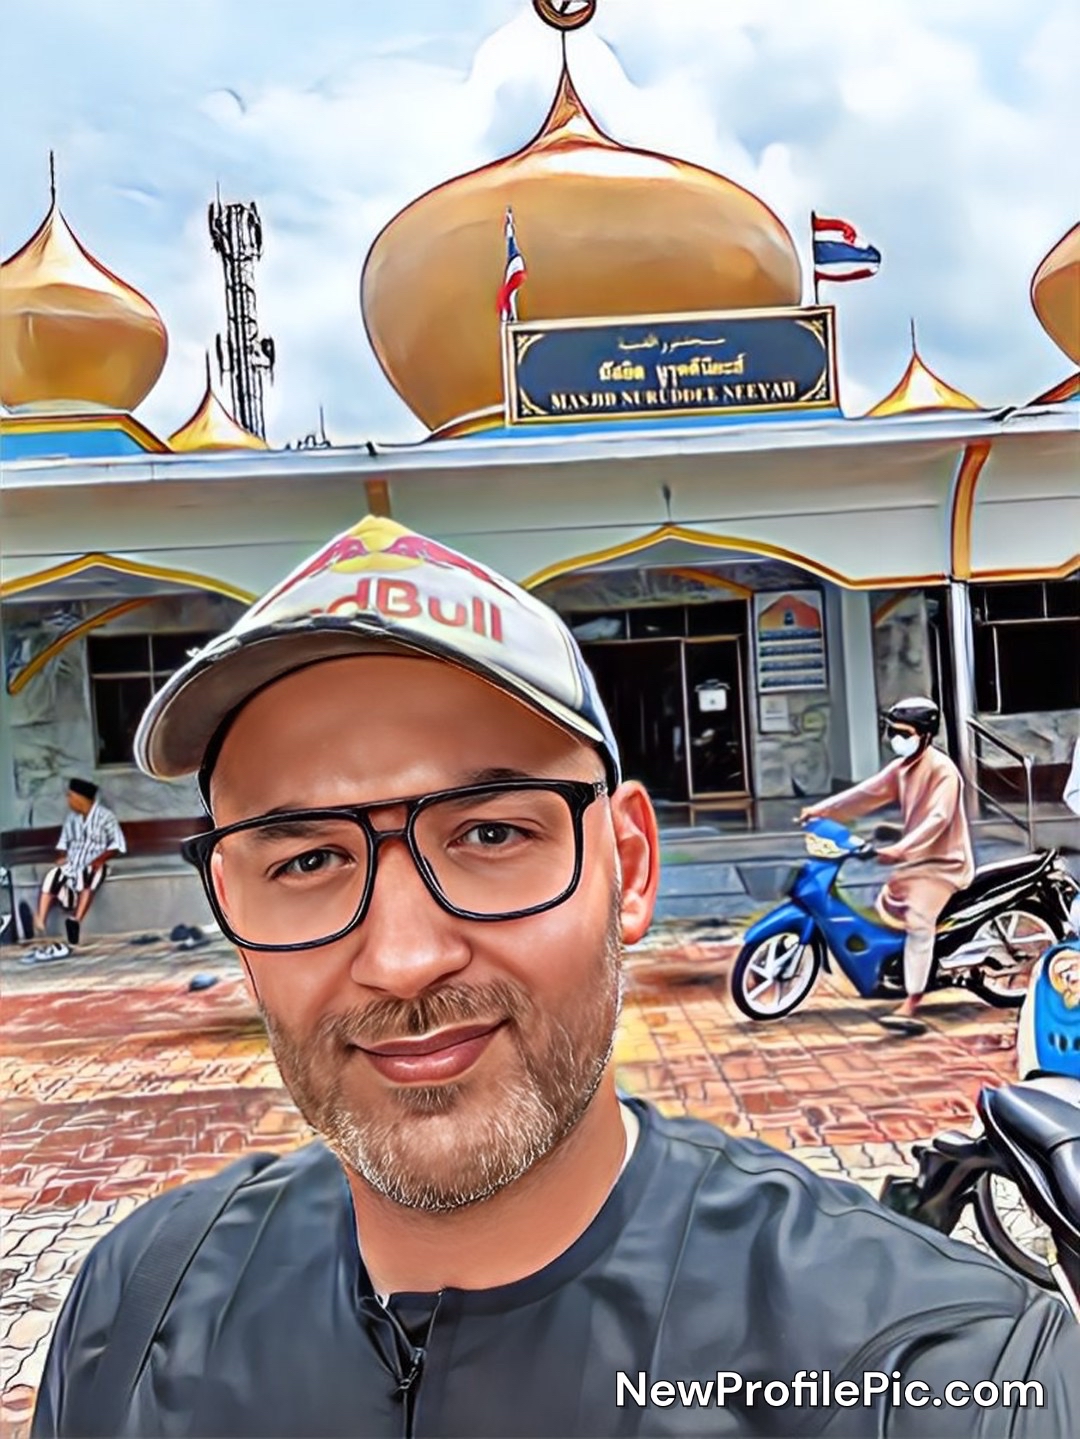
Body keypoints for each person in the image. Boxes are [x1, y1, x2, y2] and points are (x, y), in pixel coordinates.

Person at [33, 518, 1078, 1438]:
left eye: (491, 832)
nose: (402, 958)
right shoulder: (135, 1313)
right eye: (306, 860)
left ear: (628, 866)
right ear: (231, 907)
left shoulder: (935, 1370)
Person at [799, 697, 974, 1036]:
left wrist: (901, 848)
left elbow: (938, 819)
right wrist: (821, 810)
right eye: (892, 732)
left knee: (919, 924)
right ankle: (895, 969)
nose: (896, 739)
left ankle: (912, 1002)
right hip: (913, 861)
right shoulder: (903, 768)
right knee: (885, 910)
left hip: (942, 864)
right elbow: (866, 793)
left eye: (904, 733)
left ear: (925, 735)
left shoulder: (943, 771)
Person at [34, 778, 126, 949]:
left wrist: (99, 860)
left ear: (80, 798)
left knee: (87, 875)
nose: (68, 800)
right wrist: (62, 856)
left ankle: (75, 921)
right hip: (73, 862)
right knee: (53, 876)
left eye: (71, 796)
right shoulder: (72, 819)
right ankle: (40, 922)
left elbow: (117, 845)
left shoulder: (106, 817)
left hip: (95, 863)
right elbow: (63, 843)